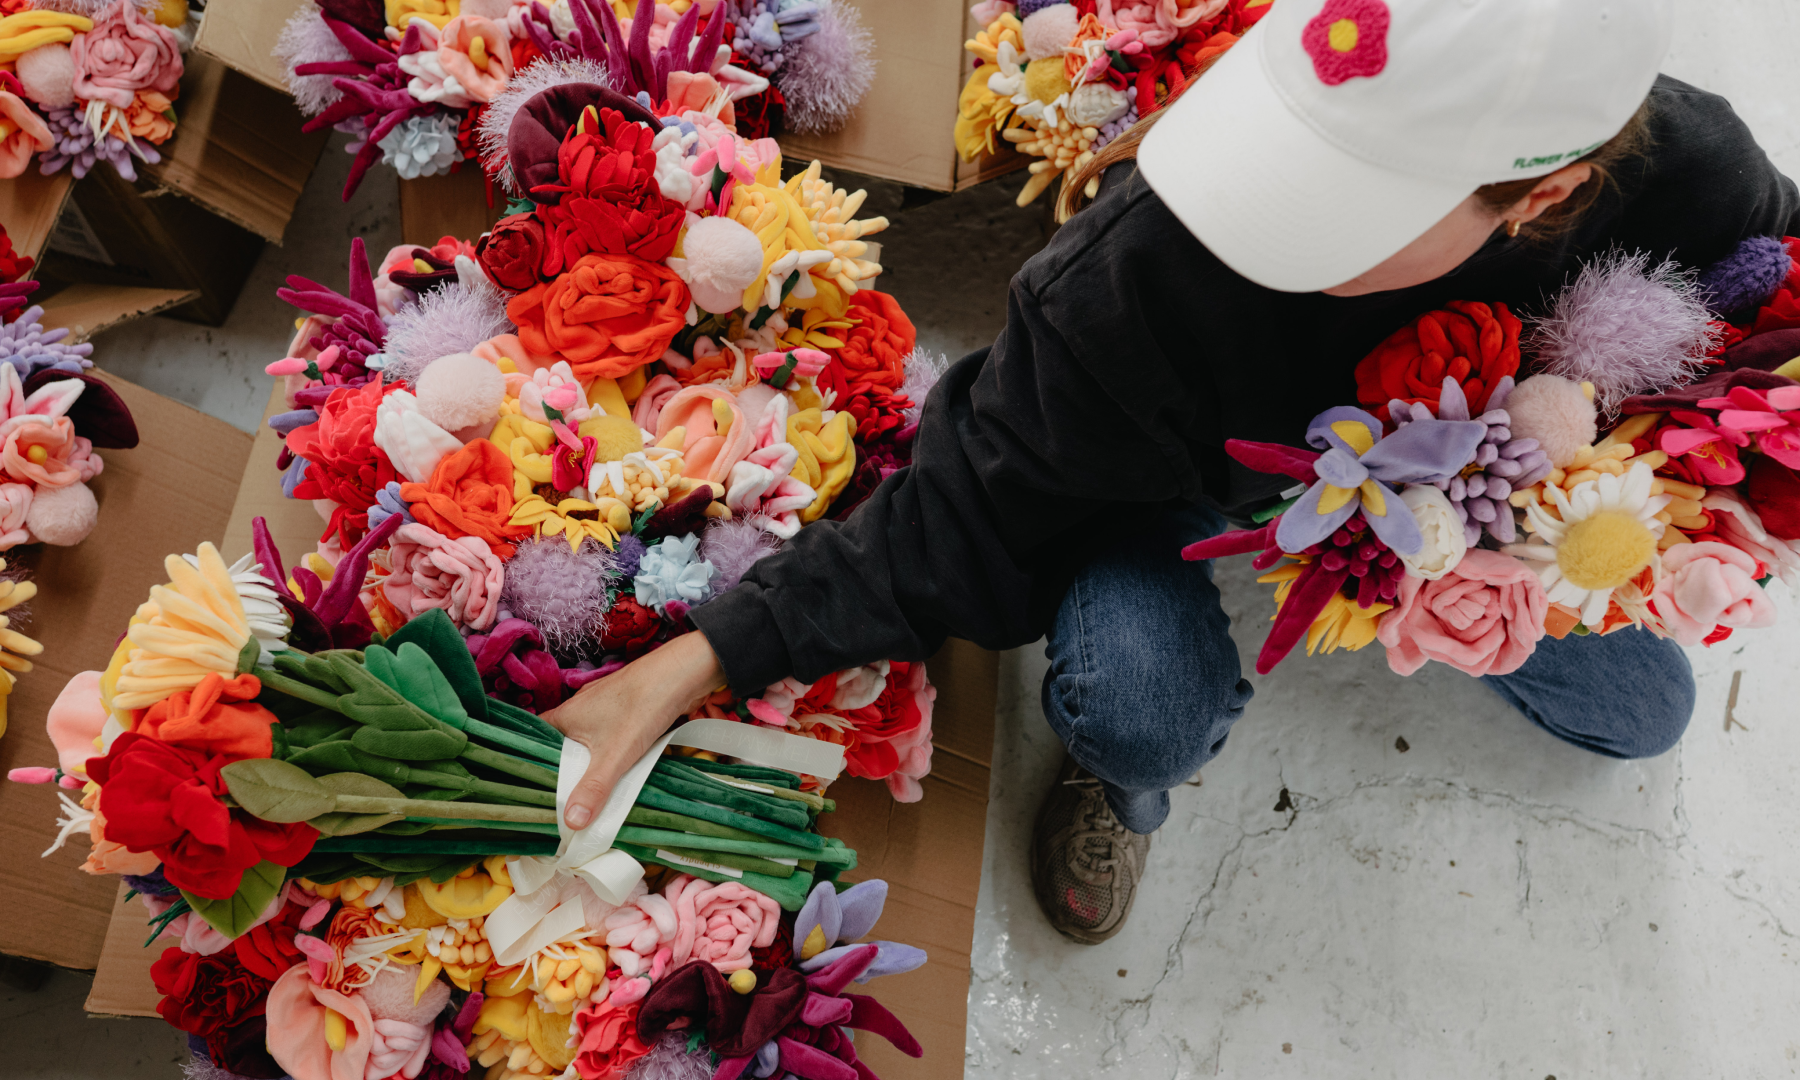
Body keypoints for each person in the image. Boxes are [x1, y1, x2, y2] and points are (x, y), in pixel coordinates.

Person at [547, 0, 1800, 945]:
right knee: (1141, 711)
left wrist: (1593, 508)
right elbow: (969, 506)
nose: (1261, 227)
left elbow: (1774, 299)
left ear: (1547, 193)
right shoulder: (1142, 278)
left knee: (1646, 718)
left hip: (1499, 510)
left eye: (1342, 207)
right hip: (1173, 485)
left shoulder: (1690, 176)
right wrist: (687, 665)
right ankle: (1123, 783)